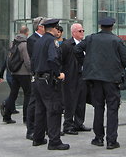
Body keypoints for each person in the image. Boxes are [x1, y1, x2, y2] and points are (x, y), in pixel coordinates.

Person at [74, 17, 126, 150]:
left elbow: (76, 50)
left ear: (100, 26)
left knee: (98, 108)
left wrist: (86, 63)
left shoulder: (91, 38)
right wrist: (116, 68)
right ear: (112, 26)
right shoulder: (117, 40)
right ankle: (111, 141)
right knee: (112, 109)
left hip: (95, 79)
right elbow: (125, 59)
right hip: (112, 79)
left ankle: (98, 138)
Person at [31, 18, 69, 150]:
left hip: (37, 79)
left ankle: (38, 138)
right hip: (48, 80)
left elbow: (33, 61)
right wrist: (58, 73)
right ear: (53, 29)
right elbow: (52, 59)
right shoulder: (51, 41)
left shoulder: (39, 41)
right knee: (54, 110)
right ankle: (54, 141)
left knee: (40, 110)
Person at [60, 23, 91, 135]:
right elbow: (61, 60)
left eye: (83, 30)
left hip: (82, 77)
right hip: (70, 77)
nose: (82, 33)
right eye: (80, 31)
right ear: (73, 33)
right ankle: (68, 125)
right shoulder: (67, 45)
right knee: (70, 102)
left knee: (81, 101)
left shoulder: (85, 44)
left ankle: (79, 123)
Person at [0, 26, 31, 124]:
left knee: (13, 94)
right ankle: (26, 118)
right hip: (24, 73)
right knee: (28, 94)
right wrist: (31, 71)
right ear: (26, 33)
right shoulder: (24, 44)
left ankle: (7, 116)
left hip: (14, 72)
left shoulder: (13, 42)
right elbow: (27, 60)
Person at [25, 16, 46, 140]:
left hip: (46, 76)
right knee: (33, 103)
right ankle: (31, 129)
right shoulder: (32, 40)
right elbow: (36, 57)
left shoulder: (46, 39)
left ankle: (47, 128)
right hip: (37, 75)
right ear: (40, 27)